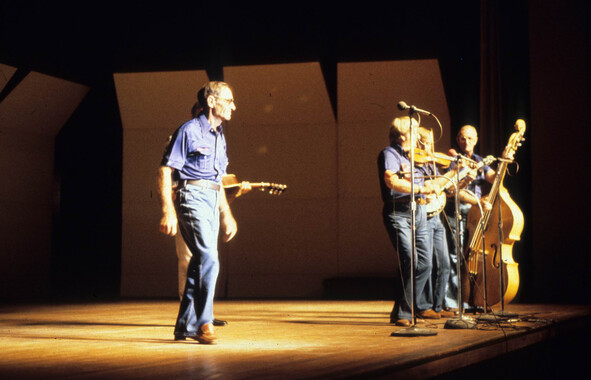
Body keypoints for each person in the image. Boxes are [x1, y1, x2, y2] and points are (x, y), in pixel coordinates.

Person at [158, 81, 238, 344]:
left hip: (212, 199)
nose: (233, 107)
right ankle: (204, 322)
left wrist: (226, 214)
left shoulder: (219, 135)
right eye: (229, 101)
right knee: (209, 257)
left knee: (199, 262)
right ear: (212, 102)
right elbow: (166, 170)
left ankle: (184, 326)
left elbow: (218, 179)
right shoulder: (189, 130)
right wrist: (167, 211)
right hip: (190, 197)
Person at [378, 116, 446, 327]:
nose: (418, 135)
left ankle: (403, 309)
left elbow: (431, 182)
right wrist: (420, 189)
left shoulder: (414, 158)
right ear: (403, 135)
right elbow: (392, 180)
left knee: (425, 263)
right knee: (410, 259)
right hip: (399, 213)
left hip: (420, 211)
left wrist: (452, 175)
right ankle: (403, 313)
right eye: (414, 132)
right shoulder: (389, 154)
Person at [442, 124, 501, 312]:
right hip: (457, 211)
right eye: (461, 138)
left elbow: (495, 177)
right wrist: (475, 196)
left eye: (469, 138)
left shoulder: (479, 160)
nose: (465, 142)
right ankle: (453, 304)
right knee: (456, 256)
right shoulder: (454, 161)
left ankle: (471, 299)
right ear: (457, 140)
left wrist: (507, 157)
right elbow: (454, 191)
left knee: (471, 256)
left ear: (476, 140)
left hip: (475, 213)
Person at [417, 128, 455, 318]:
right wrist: (449, 174)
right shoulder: (416, 163)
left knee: (445, 264)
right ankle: (425, 307)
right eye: (425, 142)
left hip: (437, 216)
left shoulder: (432, 164)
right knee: (427, 264)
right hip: (425, 216)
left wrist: (457, 173)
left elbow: (444, 188)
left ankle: (438, 306)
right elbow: (430, 186)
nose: (430, 147)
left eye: (431, 142)